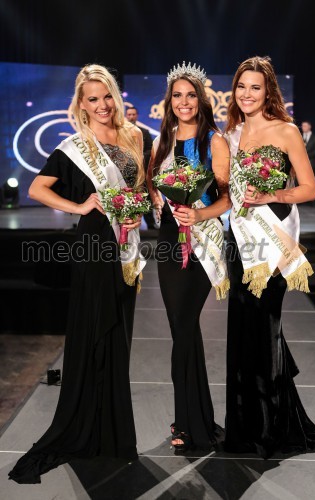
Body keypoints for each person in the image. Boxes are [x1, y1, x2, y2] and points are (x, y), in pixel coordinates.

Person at [9, 64, 146, 484]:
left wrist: (140, 204)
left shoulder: (134, 136)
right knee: (95, 330)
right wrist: (82, 206)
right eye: (92, 99)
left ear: (115, 97)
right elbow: (37, 188)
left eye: (107, 96)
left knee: (119, 334)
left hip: (126, 244)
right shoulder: (73, 146)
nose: (102, 105)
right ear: (81, 105)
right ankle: (86, 425)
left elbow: (139, 188)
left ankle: (114, 433)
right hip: (94, 246)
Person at [224, 55, 315, 458]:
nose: (247, 94)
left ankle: (269, 429)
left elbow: (310, 188)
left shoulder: (285, 131)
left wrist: (273, 194)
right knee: (243, 328)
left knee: (266, 326)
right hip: (240, 242)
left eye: (255, 87)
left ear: (268, 91)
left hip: (273, 241)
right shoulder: (232, 132)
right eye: (241, 86)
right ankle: (245, 423)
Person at [147, 61, 231, 453]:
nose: (184, 102)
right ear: (170, 101)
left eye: (191, 94)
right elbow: (152, 182)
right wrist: (158, 204)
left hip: (203, 238)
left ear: (201, 99)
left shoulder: (214, 140)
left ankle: (190, 422)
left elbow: (228, 196)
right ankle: (194, 419)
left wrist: (198, 213)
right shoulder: (161, 140)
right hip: (168, 239)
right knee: (180, 328)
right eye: (177, 95)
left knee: (185, 324)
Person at [126, 106, 156, 229]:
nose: (131, 116)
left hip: (142, 170)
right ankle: (127, 221)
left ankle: (150, 223)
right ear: (126, 116)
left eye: (133, 114)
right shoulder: (120, 132)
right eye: (129, 114)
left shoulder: (144, 131)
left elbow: (150, 149)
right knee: (127, 196)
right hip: (126, 171)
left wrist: (140, 157)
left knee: (146, 196)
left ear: (137, 115)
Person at [301, 120, 315, 196]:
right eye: (302, 126)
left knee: (311, 181)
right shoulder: (299, 136)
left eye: (305, 126)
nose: (303, 127)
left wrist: (306, 156)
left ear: (309, 126)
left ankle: (312, 200)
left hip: (311, 163)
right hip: (300, 164)